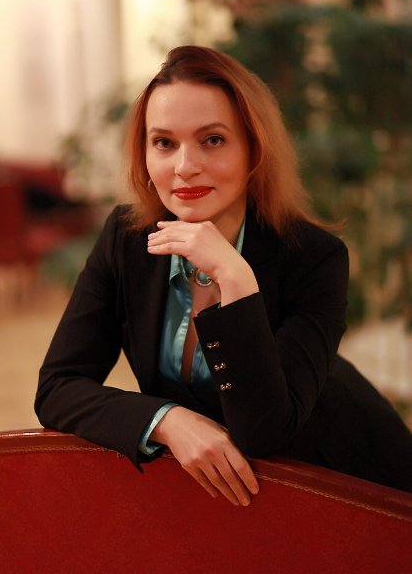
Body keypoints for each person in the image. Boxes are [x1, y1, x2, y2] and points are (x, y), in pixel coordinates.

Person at [35, 45, 412, 503]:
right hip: (232, 498)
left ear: (254, 150)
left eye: (212, 140)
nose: (185, 167)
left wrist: (235, 279)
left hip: (348, 487)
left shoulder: (315, 257)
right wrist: (167, 420)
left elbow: (264, 431)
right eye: (164, 142)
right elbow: (57, 388)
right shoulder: (126, 237)